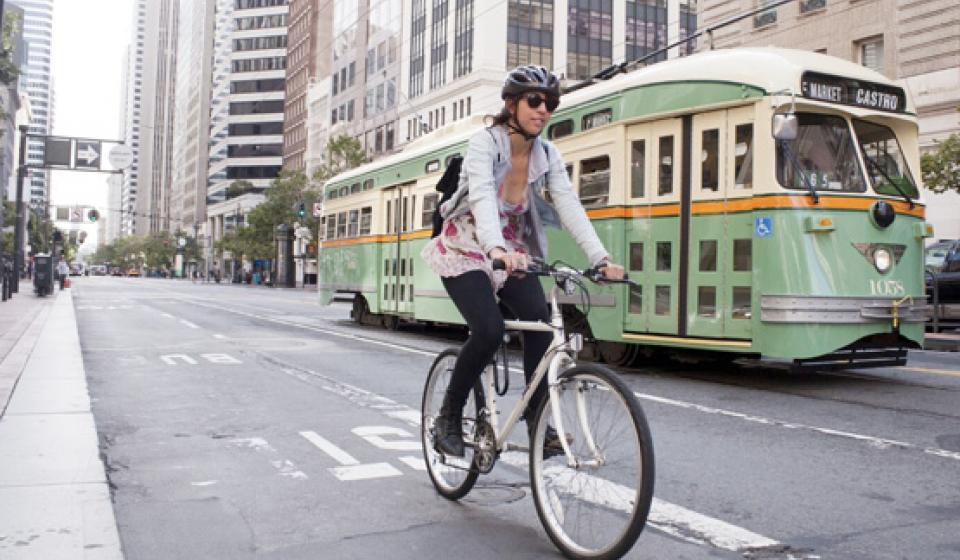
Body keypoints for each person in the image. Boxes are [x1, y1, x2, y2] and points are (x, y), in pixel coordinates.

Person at [420, 65, 625, 457]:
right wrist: (494, 250)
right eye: (534, 100)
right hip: (466, 246)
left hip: (511, 250)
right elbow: (480, 194)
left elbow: (568, 204)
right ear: (512, 104)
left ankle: (537, 419)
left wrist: (600, 258)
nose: (543, 109)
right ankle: (448, 415)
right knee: (489, 330)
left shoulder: (546, 154)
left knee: (543, 329)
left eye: (550, 103)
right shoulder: (486, 143)